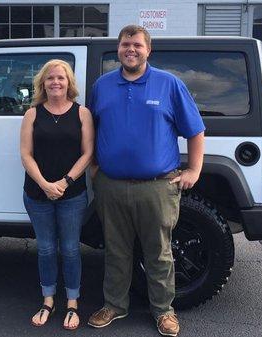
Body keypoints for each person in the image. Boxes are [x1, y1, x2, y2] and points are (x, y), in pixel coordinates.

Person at [87, 25, 205, 337]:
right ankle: (114, 305)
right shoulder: (102, 86)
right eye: (126, 44)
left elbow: (195, 130)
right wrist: (95, 166)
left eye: (137, 45)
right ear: (118, 49)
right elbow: (92, 129)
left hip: (157, 187)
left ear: (148, 50)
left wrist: (194, 170)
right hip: (111, 186)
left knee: (159, 252)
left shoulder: (169, 84)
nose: (131, 50)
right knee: (116, 249)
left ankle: (164, 311)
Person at [19, 59, 94, 330]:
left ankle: (72, 304)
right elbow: (25, 154)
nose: (55, 82)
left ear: (69, 82)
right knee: (47, 249)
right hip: (37, 194)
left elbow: (88, 153)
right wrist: (44, 184)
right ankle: (48, 300)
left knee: (71, 249)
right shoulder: (33, 114)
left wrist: (64, 182)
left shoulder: (82, 113)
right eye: (50, 78)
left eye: (60, 78)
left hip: (72, 194)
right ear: (42, 83)